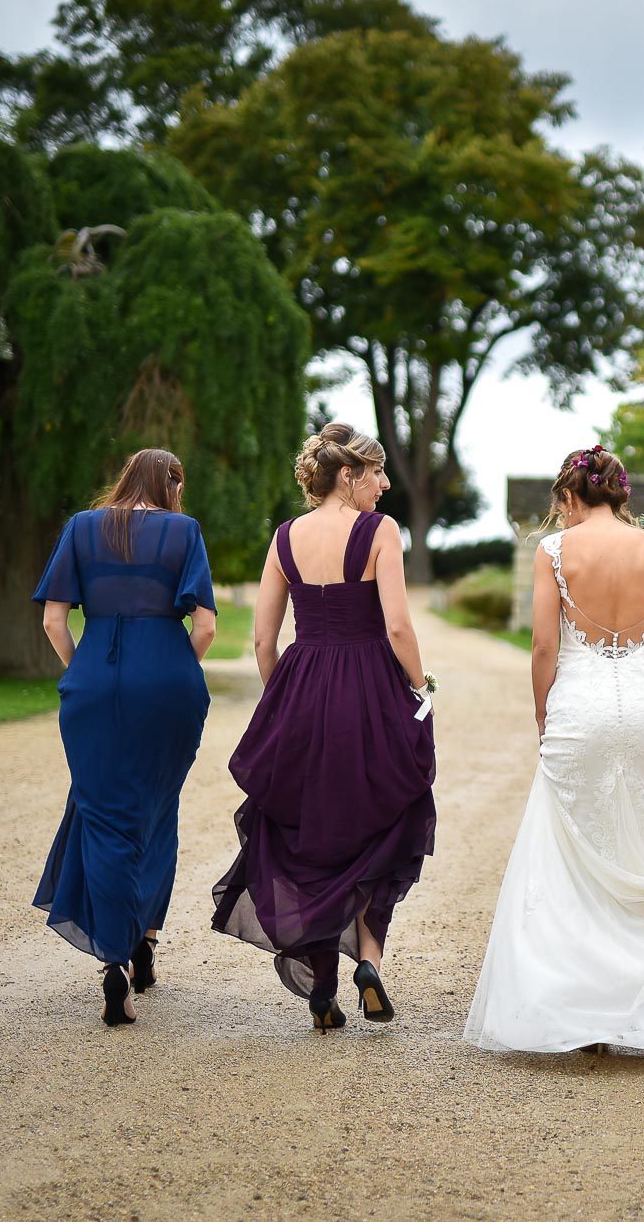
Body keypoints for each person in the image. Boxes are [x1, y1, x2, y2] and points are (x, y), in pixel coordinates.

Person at [463, 446, 644, 1065]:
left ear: (570, 496)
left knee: (579, 848)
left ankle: (583, 1006)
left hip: (582, 704)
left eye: (559, 504)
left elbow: (545, 644)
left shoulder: (554, 552)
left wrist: (543, 710)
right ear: (621, 495)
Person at [210, 422, 436, 1033]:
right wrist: (422, 686)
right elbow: (397, 628)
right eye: (377, 473)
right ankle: (368, 962)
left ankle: (322, 992)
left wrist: (285, 697)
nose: (385, 486)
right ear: (348, 476)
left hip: (304, 685)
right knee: (382, 822)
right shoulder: (378, 532)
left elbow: (263, 638)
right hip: (371, 689)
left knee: (311, 834)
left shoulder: (285, 537)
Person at [33, 448, 218, 1026]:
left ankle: (113, 963)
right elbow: (206, 625)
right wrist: (172, 669)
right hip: (167, 684)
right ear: (172, 485)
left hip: (94, 683)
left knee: (102, 812)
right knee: (157, 810)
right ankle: (143, 941)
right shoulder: (183, 532)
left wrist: (81, 671)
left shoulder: (82, 528)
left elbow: (53, 619)